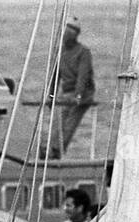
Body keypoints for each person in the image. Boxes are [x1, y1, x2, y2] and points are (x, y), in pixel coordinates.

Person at [48, 17, 95, 158]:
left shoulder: (83, 52)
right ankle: (51, 150)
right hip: (67, 93)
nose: (67, 35)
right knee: (58, 123)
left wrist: (78, 96)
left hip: (83, 94)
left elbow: (83, 76)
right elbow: (54, 77)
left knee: (69, 123)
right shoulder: (60, 52)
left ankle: (56, 150)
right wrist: (51, 97)